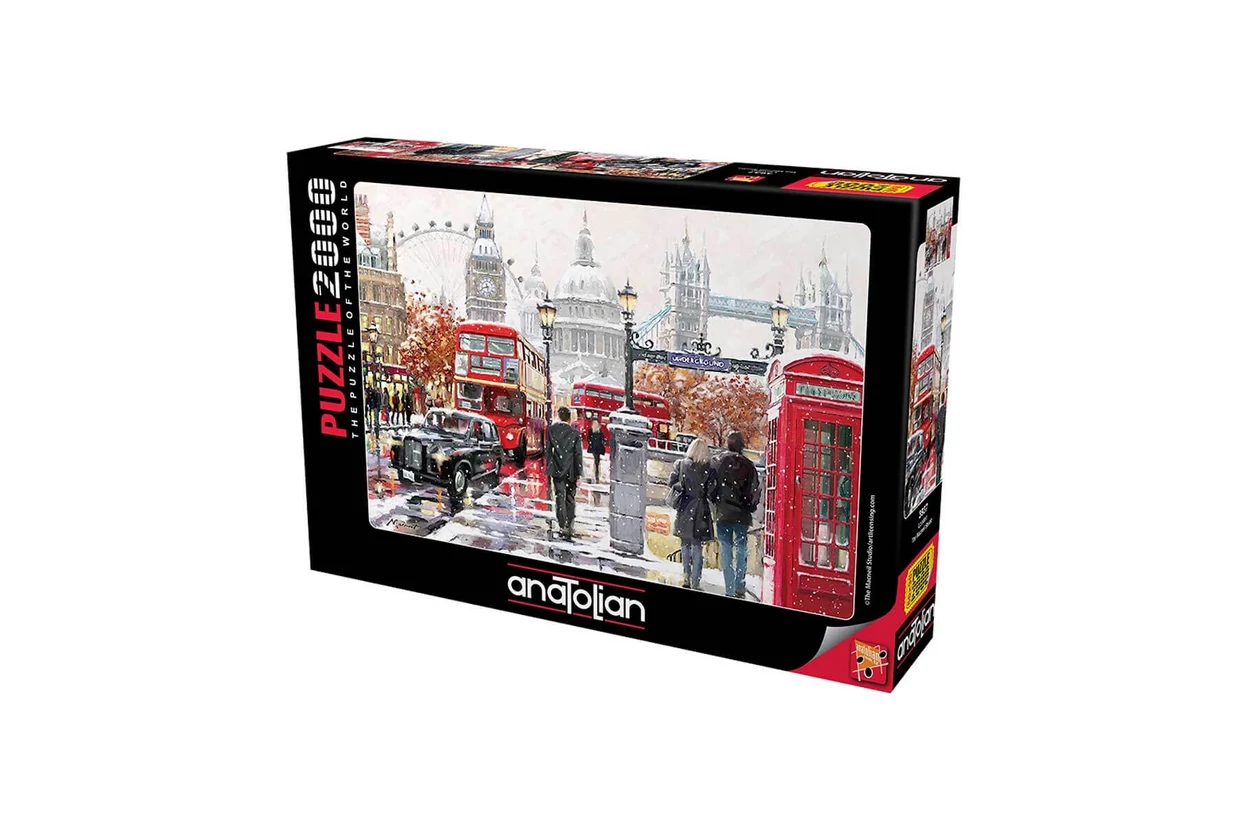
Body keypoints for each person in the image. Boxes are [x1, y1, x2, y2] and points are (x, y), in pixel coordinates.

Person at [711, 430, 760, 599]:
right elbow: (755, 491)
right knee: (741, 548)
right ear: (742, 446)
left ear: (728, 444)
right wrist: (750, 507)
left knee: (725, 547)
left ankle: (729, 587)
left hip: (723, 512)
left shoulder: (718, 462)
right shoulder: (749, 466)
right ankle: (740, 585)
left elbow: (712, 486)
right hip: (742, 514)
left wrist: (716, 501)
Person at [668, 438, 716, 590]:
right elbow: (712, 492)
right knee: (697, 546)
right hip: (701, 509)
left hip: (685, 507)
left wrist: (683, 485)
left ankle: (686, 577)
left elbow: (671, 483)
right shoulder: (709, 469)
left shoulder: (681, 465)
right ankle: (696, 581)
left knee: (685, 544)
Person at [545, 406, 583, 541]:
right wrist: (578, 472)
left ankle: (562, 525)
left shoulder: (552, 430)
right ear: (569, 418)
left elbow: (549, 452)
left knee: (559, 497)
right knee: (570, 498)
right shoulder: (574, 433)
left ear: (559, 416)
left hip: (557, 469)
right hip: (571, 470)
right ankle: (570, 524)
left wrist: (549, 467)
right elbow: (578, 454)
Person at [588, 416, 606, 483]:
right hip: (598, 448)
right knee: (597, 460)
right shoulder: (599, 431)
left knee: (596, 460)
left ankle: (595, 473)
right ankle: (596, 474)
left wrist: (591, 443)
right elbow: (602, 439)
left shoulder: (591, 430)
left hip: (594, 448)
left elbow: (588, 439)